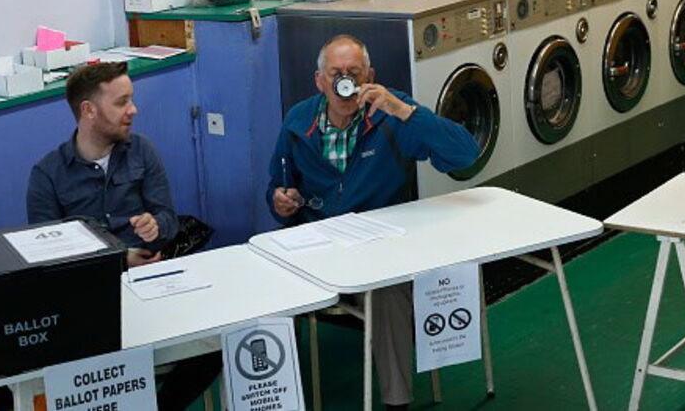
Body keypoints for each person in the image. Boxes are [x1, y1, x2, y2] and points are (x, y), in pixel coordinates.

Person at [266, 35, 479, 410]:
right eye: (335, 74)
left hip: (384, 245)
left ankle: (397, 402)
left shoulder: (392, 114)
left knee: (387, 290)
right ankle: (281, 396)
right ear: (319, 81)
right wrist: (280, 200)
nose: (344, 83)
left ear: (370, 76)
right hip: (319, 244)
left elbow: (465, 154)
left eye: (353, 73)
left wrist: (405, 111)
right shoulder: (299, 120)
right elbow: (279, 182)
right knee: (266, 282)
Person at [26, 62, 220, 411]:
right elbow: (47, 259)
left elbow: (168, 220)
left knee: (213, 344)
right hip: (88, 297)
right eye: (121, 102)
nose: (133, 110)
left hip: (151, 283)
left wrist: (156, 226)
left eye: (131, 99)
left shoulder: (142, 150)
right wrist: (118, 259)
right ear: (88, 110)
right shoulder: (47, 175)